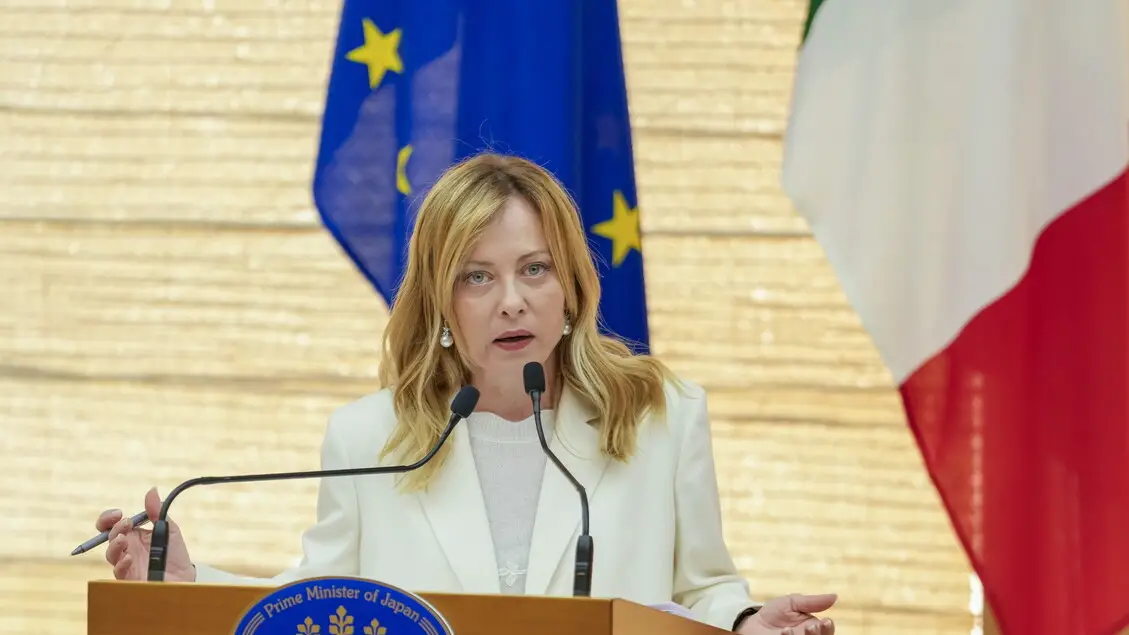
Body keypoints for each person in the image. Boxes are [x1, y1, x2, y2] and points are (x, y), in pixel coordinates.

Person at [94, 153, 838, 635]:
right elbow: (317, 602)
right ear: (441, 304)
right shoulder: (371, 437)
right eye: (477, 277)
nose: (512, 301)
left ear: (571, 286)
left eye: (535, 269)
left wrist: (745, 621)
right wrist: (186, 580)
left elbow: (704, 585)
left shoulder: (660, 415)